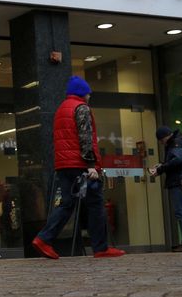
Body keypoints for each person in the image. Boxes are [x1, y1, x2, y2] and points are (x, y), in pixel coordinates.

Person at [32, 76, 125, 260]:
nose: (90, 96)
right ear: (83, 93)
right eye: (89, 93)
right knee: (96, 203)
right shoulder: (81, 108)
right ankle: (100, 248)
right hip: (81, 164)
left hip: (64, 165)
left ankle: (44, 238)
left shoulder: (61, 109)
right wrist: (91, 165)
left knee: (67, 204)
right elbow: (85, 137)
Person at [149, 126, 182, 252]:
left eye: (160, 140)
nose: (161, 143)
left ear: (164, 137)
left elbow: (177, 159)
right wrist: (162, 166)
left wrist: (161, 168)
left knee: (181, 212)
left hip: (177, 181)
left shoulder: (175, 142)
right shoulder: (177, 142)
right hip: (179, 180)